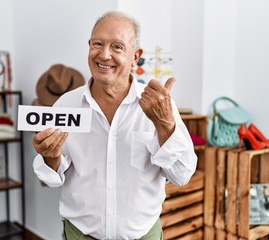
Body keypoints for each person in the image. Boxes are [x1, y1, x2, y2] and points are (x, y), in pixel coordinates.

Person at [32, 11, 197, 240]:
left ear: (135, 56)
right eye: (97, 44)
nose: (104, 54)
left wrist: (165, 125)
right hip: (79, 235)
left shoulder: (160, 106)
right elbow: (51, 178)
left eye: (117, 47)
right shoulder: (66, 104)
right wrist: (51, 157)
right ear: (89, 46)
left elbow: (182, 175)